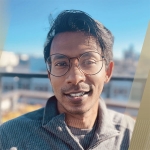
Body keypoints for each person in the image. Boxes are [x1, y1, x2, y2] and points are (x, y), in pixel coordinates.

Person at [0, 10, 135, 150]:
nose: (75, 78)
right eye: (61, 63)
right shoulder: (9, 137)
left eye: (88, 61)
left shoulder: (131, 134)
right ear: (49, 74)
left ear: (108, 71)